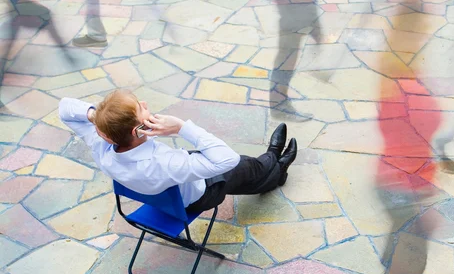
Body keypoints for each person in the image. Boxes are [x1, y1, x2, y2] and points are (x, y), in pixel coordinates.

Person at [58, 89, 297, 214]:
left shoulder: (101, 145)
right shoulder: (165, 163)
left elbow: (64, 108)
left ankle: (274, 166)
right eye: (142, 108)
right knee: (243, 167)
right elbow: (228, 160)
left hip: (161, 193)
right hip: (196, 197)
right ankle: (276, 165)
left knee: (221, 163)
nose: (145, 105)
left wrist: (97, 118)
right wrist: (181, 127)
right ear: (138, 130)